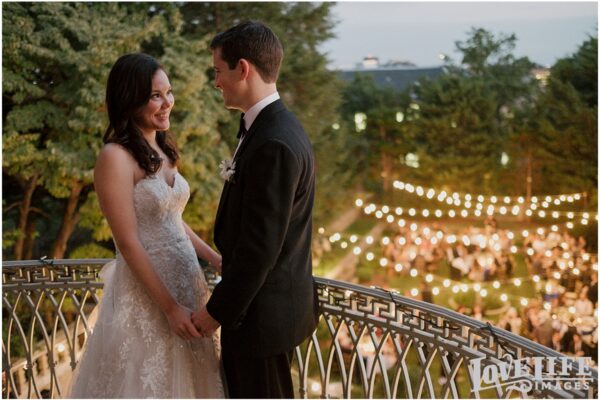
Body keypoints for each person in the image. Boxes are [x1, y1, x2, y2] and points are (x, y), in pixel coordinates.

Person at [68, 53, 224, 398]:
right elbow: (127, 242)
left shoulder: (163, 149)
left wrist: (214, 258)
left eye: (169, 92)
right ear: (130, 98)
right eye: (156, 95)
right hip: (149, 295)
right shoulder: (115, 157)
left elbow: (173, 220)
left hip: (188, 285)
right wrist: (168, 307)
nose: (167, 102)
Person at [191, 21, 318, 398]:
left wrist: (214, 314)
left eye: (218, 70)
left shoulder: (274, 141)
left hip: (261, 321)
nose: (216, 81)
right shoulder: (271, 127)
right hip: (263, 314)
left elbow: (260, 248)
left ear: (242, 69)